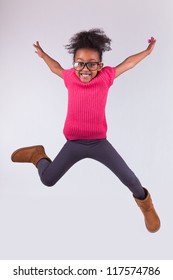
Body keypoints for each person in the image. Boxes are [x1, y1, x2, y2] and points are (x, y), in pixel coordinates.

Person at [11, 28, 160, 233]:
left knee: (130, 179)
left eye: (92, 64)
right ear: (74, 64)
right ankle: (38, 155)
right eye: (80, 63)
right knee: (48, 180)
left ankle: (147, 207)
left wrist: (147, 51)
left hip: (99, 144)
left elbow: (128, 63)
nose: (85, 69)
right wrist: (44, 55)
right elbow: (55, 68)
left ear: (100, 65)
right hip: (73, 144)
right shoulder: (70, 77)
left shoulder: (106, 77)